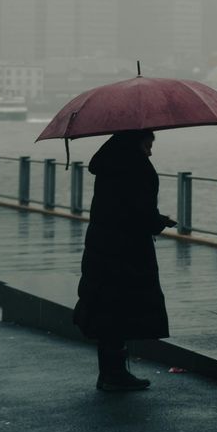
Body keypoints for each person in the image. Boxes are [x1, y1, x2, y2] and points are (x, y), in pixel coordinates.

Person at [72, 130, 174, 393]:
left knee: (108, 309)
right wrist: (159, 222)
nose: (150, 151)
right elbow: (140, 211)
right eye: (148, 145)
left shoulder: (111, 162)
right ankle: (115, 374)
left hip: (104, 246)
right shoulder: (134, 167)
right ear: (136, 142)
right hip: (125, 250)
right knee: (120, 309)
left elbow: (122, 206)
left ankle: (110, 372)